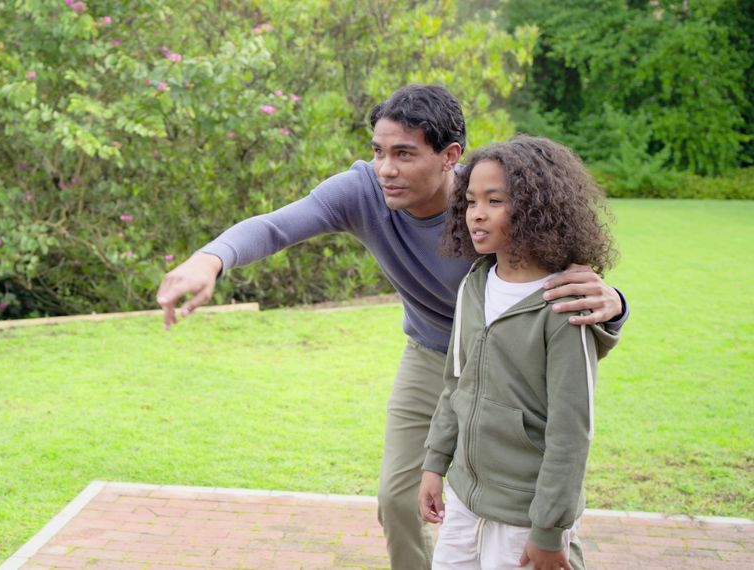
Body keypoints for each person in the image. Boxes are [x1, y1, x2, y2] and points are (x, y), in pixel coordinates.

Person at [155, 85, 627, 569]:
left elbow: (563, 278)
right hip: (429, 355)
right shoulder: (362, 193)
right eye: (378, 152)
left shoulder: (492, 199)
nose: (386, 169)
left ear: (450, 156)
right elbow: (276, 226)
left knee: (529, 509)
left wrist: (615, 304)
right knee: (398, 498)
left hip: (512, 365)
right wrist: (210, 260)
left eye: (404, 153)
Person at [417, 136, 618, 570]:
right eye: (470, 201)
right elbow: (455, 384)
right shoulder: (475, 283)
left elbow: (570, 431)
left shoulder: (565, 304)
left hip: (526, 516)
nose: (477, 214)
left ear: (533, 209)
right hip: (464, 499)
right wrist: (435, 465)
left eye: (495, 200)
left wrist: (548, 531)